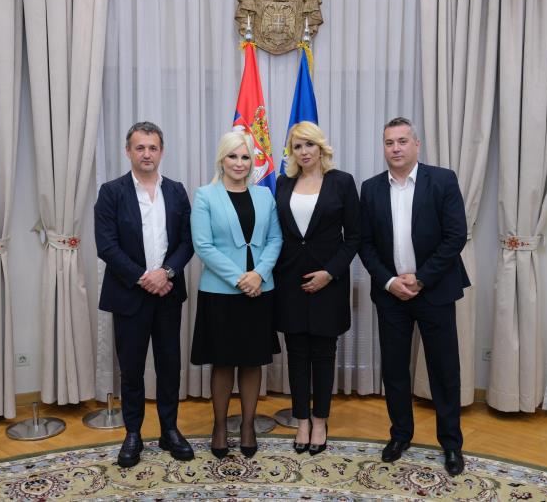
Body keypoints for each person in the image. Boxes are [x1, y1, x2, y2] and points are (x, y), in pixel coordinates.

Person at [359, 117, 470, 476]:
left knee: (444, 370)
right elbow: (364, 244)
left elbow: (455, 236)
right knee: (394, 369)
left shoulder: (443, 180)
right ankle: (400, 435)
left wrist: (421, 279)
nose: (396, 148)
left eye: (402, 141)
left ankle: (451, 444)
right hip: (391, 295)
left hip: (434, 291)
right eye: (389, 142)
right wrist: (390, 281)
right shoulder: (370, 188)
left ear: (417, 145)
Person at [95, 121, 195, 467]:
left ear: (161, 151)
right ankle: (133, 434)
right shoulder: (111, 192)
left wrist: (166, 273)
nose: (147, 154)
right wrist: (143, 278)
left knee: (169, 367)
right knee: (132, 370)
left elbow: (188, 241)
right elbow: (106, 246)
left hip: (168, 293)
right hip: (129, 296)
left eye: (153, 148)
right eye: (140, 147)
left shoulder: (177, 191)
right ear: (128, 151)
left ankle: (169, 431)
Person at [190, 130, 282, 459]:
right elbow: (203, 245)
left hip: (260, 290)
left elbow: (275, 239)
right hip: (221, 292)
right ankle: (219, 427)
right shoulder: (205, 195)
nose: (239, 163)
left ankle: (247, 426)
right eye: (233, 156)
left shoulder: (265, 196)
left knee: (253, 361)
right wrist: (240, 279)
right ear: (222, 159)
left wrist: (259, 274)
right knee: (224, 362)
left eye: (245, 157)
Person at [274, 121, 360, 455]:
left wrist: (330, 273)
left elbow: (354, 237)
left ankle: (320, 420)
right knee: (296, 353)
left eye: (309, 144)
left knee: (324, 353)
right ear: (292, 152)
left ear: (321, 147)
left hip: (329, 282)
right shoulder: (283, 183)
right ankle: (302, 421)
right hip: (290, 281)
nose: (304, 151)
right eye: (297, 146)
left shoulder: (342, 182)